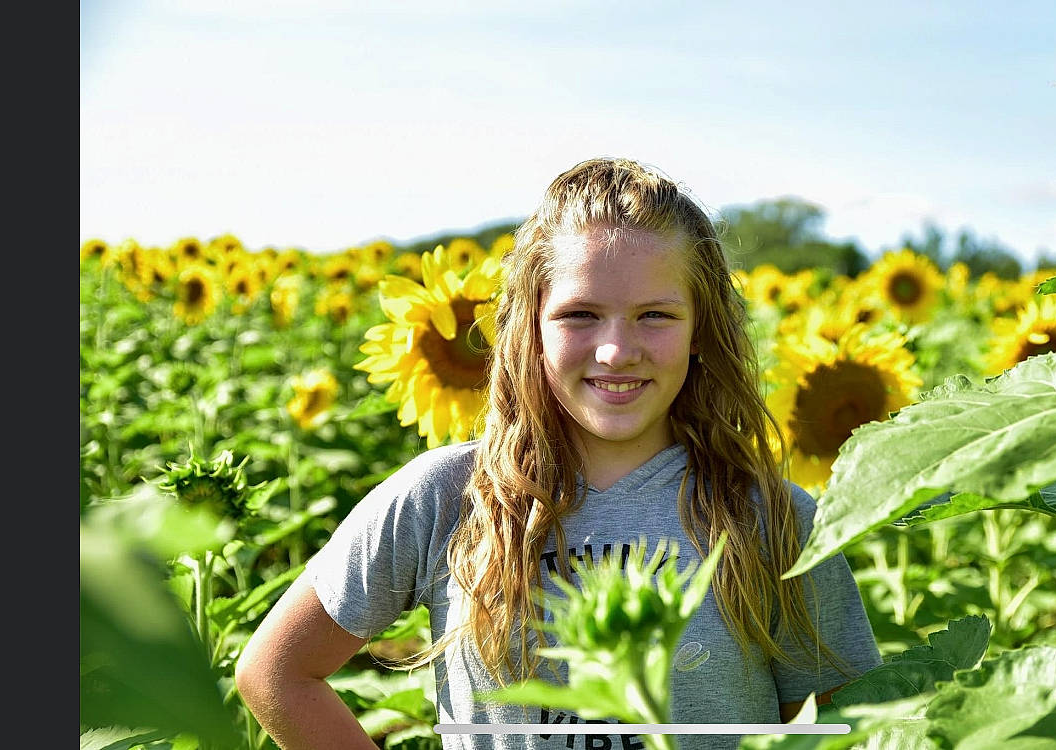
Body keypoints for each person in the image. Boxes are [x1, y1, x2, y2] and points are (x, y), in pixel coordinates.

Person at [235, 157, 882, 750]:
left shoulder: (771, 518)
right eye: (580, 315)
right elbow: (276, 673)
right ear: (531, 327)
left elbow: (856, 724)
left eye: (654, 315)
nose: (616, 350)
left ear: (701, 328)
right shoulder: (448, 496)